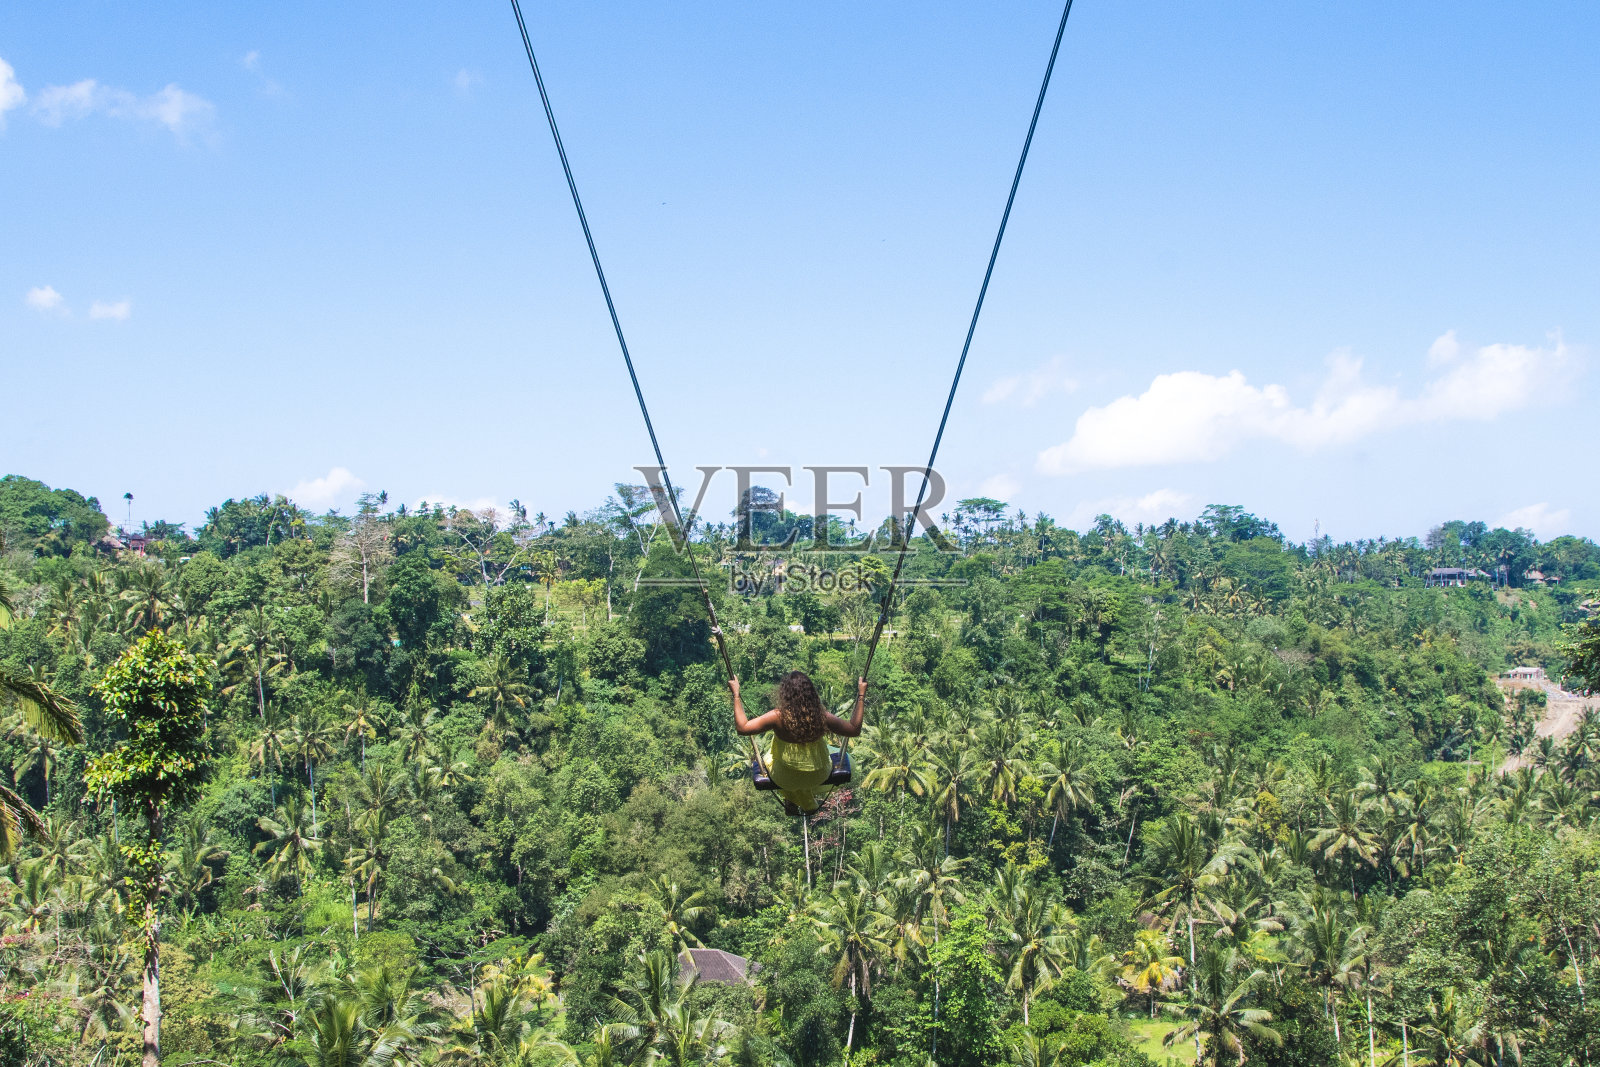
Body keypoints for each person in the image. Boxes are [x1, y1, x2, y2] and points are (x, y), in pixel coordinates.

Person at [730, 671, 865, 816]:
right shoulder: (821, 716)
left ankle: (792, 798)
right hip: (818, 776)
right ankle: (804, 800)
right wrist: (861, 695)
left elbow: (742, 728)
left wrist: (736, 695)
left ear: (784, 693)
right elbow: (853, 730)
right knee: (840, 756)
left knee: (771, 758)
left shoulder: (777, 717)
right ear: (811, 693)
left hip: (784, 778)